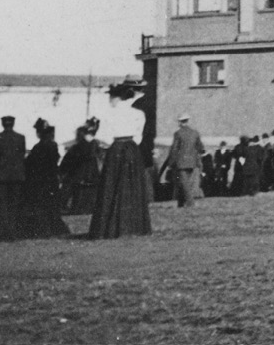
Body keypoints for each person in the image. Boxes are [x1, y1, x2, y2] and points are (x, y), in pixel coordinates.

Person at [89, 85, 153, 239]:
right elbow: (138, 137)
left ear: (117, 97)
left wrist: (107, 145)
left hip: (116, 149)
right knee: (132, 186)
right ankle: (135, 227)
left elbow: (103, 138)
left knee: (112, 186)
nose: (110, 100)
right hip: (132, 149)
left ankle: (110, 228)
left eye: (111, 97)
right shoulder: (138, 113)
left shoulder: (109, 113)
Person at [21, 120, 69, 239]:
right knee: (51, 207)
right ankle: (56, 229)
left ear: (39, 133)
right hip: (51, 180)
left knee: (39, 206)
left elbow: (30, 163)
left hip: (39, 181)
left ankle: (41, 230)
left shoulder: (38, 147)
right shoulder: (53, 145)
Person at [58, 124, 101, 214]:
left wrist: (62, 172)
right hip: (91, 178)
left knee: (68, 187)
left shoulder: (76, 148)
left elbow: (65, 164)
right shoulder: (95, 147)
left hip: (77, 178)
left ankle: (64, 206)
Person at [167, 114, 205, 208]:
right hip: (192, 162)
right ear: (187, 121)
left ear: (180, 122)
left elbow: (174, 149)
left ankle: (190, 203)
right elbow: (200, 147)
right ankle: (180, 203)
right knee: (185, 182)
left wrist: (171, 162)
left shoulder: (178, 133)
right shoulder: (195, 133)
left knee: (184, 183)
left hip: (181, 162)